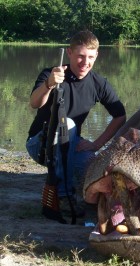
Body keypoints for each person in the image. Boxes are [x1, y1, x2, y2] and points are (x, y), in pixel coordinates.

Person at [26, 30, 126, 218]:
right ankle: (63, 196)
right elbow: (34, 103)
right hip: (40, 144)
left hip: (71, 145)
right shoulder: (51, 73)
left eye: (90, 57)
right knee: (68, 123)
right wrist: (48, 84)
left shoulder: (99, 83)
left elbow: (120, 116)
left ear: (96, 56)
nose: (85, 62)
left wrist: (96, 144)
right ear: (69, 53)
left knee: (92, 163)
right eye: (80, 56)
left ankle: (85, 196)